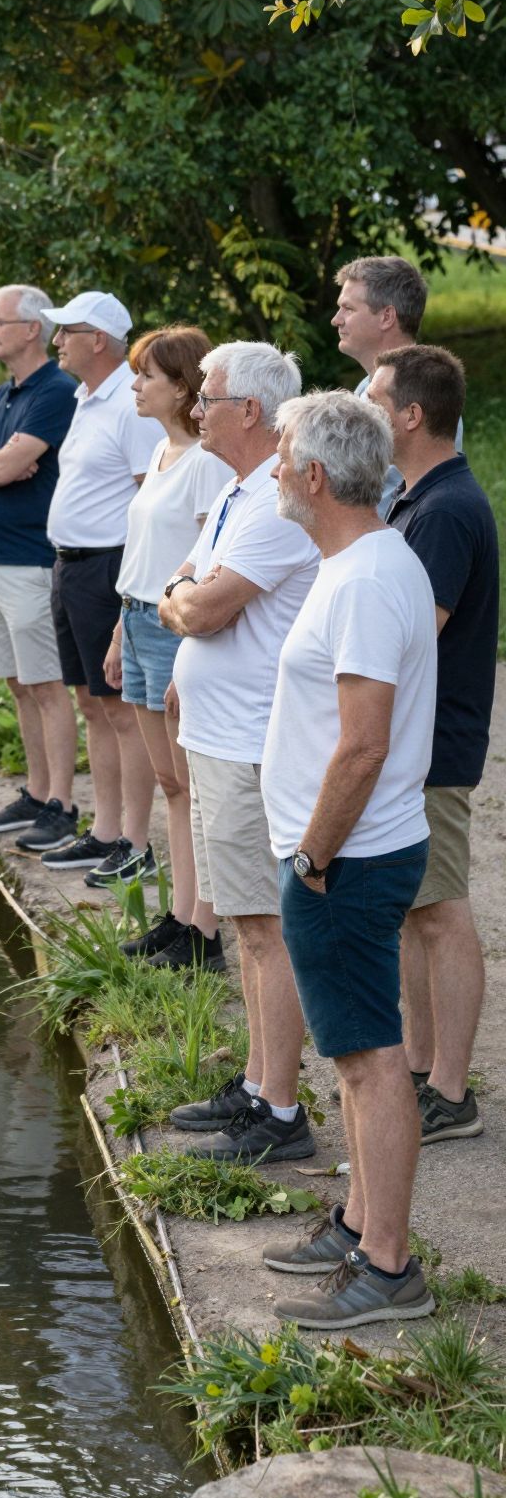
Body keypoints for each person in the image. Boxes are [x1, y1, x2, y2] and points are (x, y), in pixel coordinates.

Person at [259, 388, 438, 1328]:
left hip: (348, 861)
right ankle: (362, 1221)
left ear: (317, 476)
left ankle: (390, 1268)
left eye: (283, 457)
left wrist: (314, 857)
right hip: (353, 855)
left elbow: (363, 745)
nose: (275, 471)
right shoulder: (364, 561)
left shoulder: (365, 579)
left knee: (371, 1061)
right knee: (355, 1054)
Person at [158, 342, 320, 1160]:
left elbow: (205, 605)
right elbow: (178, 587)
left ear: (249, 411)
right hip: (220, 737)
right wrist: (183, 600)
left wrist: (185, 602)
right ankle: (259, 1083)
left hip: (255, 742)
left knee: (265, 928)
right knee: (248, 925)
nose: (195, 410)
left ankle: (282, 1114)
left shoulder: (277, 502)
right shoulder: (236, 491)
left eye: (208, 398)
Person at [369, 343, 499, 1146]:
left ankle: (452, 1090)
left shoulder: (446, 509)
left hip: (435, 742)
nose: (367, 412)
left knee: (444, 911)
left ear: (411, 415)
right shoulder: (419, 495)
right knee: (419, 910)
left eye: (377, 401)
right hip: (415, 740)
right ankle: (423, 1071)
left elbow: (419, 630)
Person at [97, 325, 230, 967]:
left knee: (191, 782)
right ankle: (180, 917)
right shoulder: (159, 454)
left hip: (173, 627)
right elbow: (142, 552)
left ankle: (205, 929)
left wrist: (166, 632)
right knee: (170, 783)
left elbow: (206, 562)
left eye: (147, 375)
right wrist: (122, 629)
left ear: (183, 387)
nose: (136, 385)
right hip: (138, 619)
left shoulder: (208, 464)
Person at [27, 290, 163, 878]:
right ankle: (105, 830)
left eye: (66, 331)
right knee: (91, 703)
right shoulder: (87, 399)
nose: (56, 340)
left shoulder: (130, 408)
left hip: (110, 567)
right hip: (72, 565)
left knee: (121, 708)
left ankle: (134, 841)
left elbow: (148, 496)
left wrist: (130, 589)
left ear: (98, 340)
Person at [0, 286, 80, 853]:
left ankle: (63, 804)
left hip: (31, 561)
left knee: (47, 686)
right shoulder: (6, 394)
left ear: (32, 329)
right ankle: (34, 789)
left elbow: (3, 466)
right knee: (16, 682)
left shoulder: (56, 391)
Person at [331, 254, 462, 511]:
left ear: (387, 317)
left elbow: (375, 505)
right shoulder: (366, 388)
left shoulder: (425, 396)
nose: (336, 319)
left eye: (348, 308)